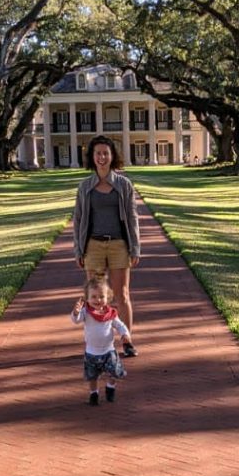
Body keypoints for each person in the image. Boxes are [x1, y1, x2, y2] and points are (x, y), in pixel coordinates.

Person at [71, 134, 140, 356]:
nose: (102, 157)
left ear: (112, 156)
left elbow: (132, 217)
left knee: (122, 294)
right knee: (95, 295)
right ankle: (96, 344)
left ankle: (127, 340)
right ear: (92, 157)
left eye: (106, 153)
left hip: (119, 244)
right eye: (98, 153)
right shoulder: (85, 187)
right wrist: (78, 249)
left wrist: (135, 247)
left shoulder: (123, 184)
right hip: (93, 246)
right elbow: (78, 219)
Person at [71, 275, 129, 405]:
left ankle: (110, 387)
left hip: (109, 351)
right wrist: (75, 312)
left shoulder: (110, 313)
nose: (98, 300)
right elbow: (76, 320)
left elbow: (119, 325)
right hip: (92, 352)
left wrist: (125, 334)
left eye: (101, 296)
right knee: (92, 376)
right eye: (94, 297)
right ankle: (94, 393)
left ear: (107, 297)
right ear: (87, 298)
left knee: (114, 372)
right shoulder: (85, 313)